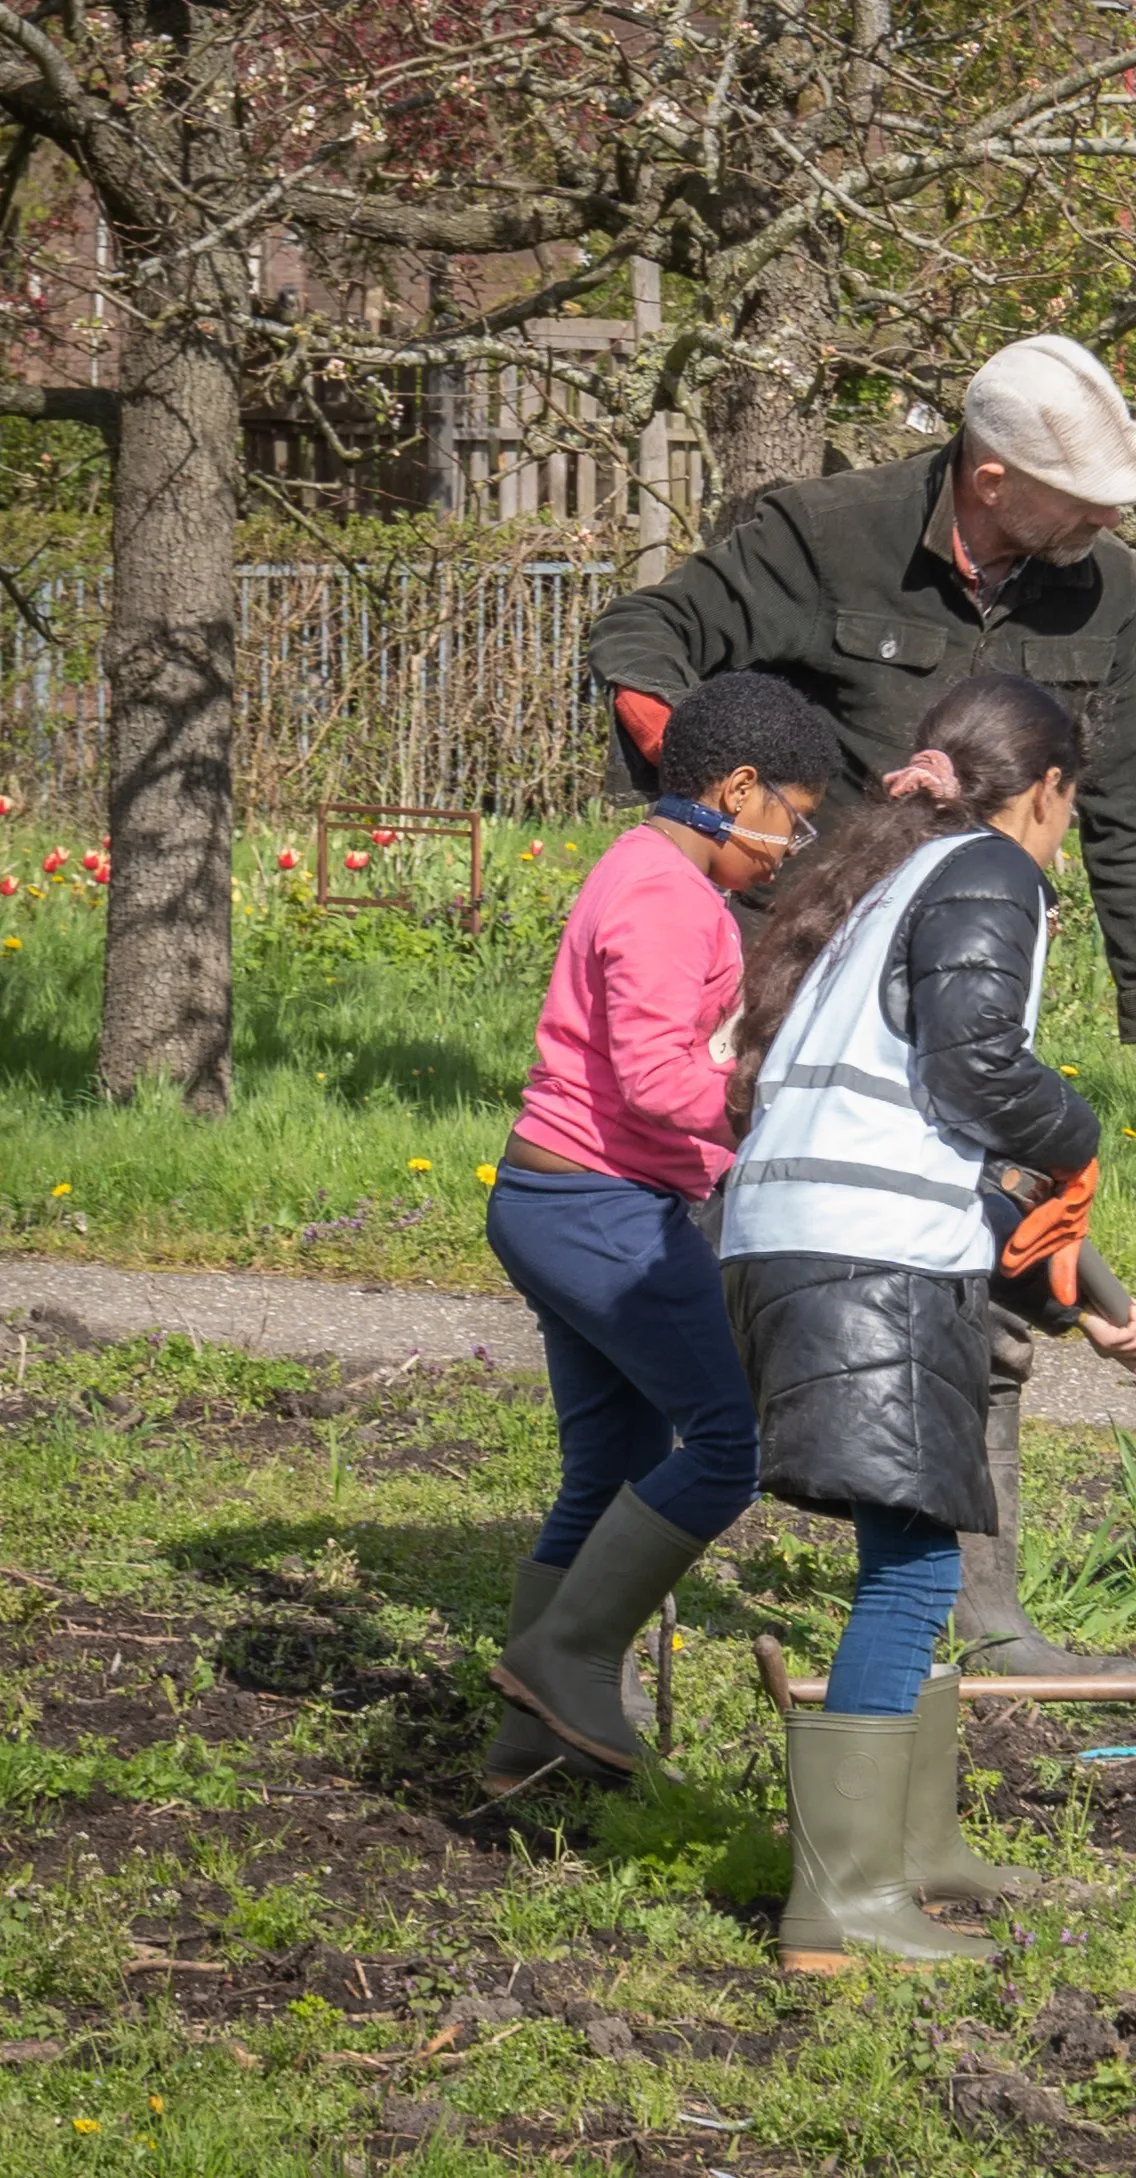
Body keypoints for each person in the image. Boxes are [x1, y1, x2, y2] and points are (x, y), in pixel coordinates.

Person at [586, 333, 1136, 1676]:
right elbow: (646, 639)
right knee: (719, 1294)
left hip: (969, 989)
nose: (1102, 523)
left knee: (970, 1280)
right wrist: (707, 817)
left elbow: (1133, 805)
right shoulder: (823, 537)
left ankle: (975, 1612)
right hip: (805, 984)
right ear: (989, 476)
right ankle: (602, 1619)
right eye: (1077, 496)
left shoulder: (1097, 589)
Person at [717, 673, 1136, 1973]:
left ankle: (914, 1853)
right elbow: (977, 1065)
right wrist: (1079, 1132)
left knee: (906, 1558)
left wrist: (1095, 1302)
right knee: (914, 1569)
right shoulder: (991, 875)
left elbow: (945, 1150)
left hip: (809, 1241)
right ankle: (841, 1901)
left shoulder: (894, 877)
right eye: (1072, 808)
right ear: (1049, 791)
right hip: (862, 1254)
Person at [481, 673, 833, 1791]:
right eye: (793, 815)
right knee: (729, 1445)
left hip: (559, 1200)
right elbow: (652, 1082)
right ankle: (569, 1654)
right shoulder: (669, 897)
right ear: (737, 789)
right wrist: (777, 1102)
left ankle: (529, 1740)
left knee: (610, 1467)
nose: (794, 843)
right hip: (600, 1205)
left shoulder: (643, 871)